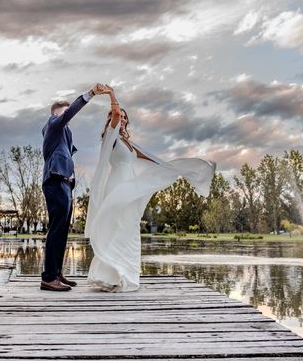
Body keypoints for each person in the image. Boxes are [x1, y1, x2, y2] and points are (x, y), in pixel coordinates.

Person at [85, 85, 216, 292]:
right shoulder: (110, 137)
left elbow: (152, 160)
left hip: (131, 187)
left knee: (129, 227)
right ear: (110, 119)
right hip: (117, 186)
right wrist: (111, 94)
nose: (121, 119)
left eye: (125, 118)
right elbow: (116, 113)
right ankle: (108, 275)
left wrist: (174, 170)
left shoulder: (128, 143)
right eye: (117, 116)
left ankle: (120, 276)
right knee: (116, 227)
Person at [40, 82, 110, 291]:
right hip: (54, 181)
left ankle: (57, 273)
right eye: (63, 114)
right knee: (55, 230)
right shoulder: (52, 125)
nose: (66, 118)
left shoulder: (65, 135)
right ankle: (48, 277)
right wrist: (89, 94)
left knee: (62, 232)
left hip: (65, 184)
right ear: (55, 115)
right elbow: (67, 115)